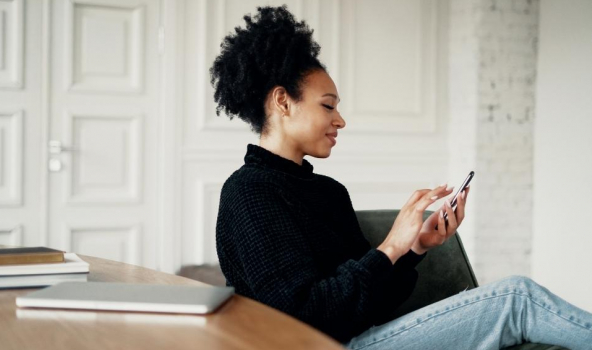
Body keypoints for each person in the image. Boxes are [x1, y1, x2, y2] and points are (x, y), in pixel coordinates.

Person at [211, 5, 592, 349]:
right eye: (327, 105)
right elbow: (302, 317)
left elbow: (370, 301)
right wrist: (390, 246)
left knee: (515, 300)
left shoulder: (327, 191)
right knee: (517, 298)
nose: (340, 120)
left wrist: (414, 248)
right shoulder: (249, 192)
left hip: (365, 336)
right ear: (282, 101)